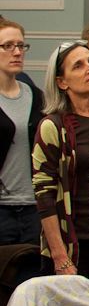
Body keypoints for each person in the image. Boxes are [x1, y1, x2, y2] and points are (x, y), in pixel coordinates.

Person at [32, 41, 89, 283]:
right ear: (62, 82)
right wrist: (60, 257)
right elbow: (44, 195)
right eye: (78, 66)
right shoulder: (53, 126)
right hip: (73, 244)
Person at [0, 17, 43, 245]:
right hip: (2, 210)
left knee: (33, 278)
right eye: (8, 46)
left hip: (33, 207)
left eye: (21, 45)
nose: (17, 52)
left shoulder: (35, 96)